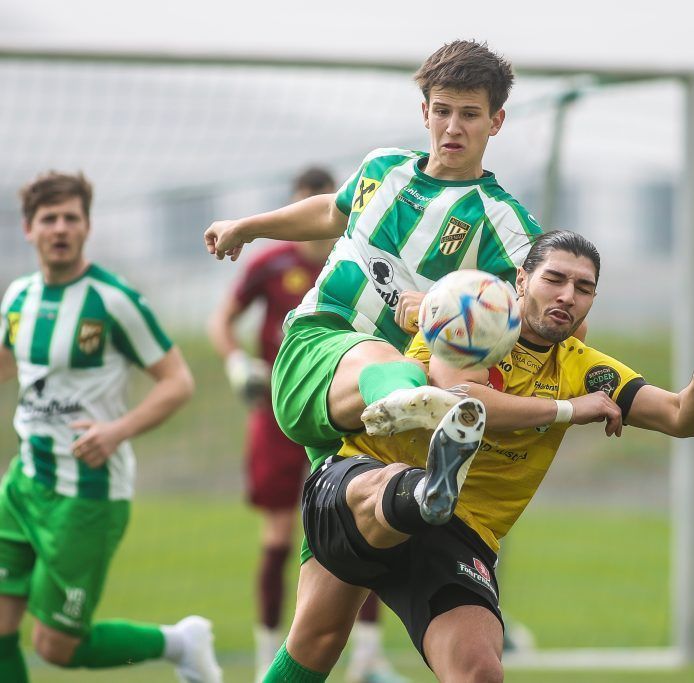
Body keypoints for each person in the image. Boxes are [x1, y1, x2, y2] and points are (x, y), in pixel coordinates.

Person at [203, 40, 545, 680]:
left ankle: (422, 424)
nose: (452, 127)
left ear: (496, 121)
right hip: (321, 348)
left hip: (369, 443)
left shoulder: (507, 226)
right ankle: (428, 406)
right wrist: (249, 225)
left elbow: (539, 310)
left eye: (469, 114)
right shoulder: (384, 168)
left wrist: (467, 313)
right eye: (441, 110)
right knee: (394, 363)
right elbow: (329, 213)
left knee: (319, 632)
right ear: (423, 111)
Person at [283, 230, 694, 682]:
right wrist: (569, 410)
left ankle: (431, 495)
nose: (567, 295)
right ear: (522, 280)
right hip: (363, 484)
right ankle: (426, 489)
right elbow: (457, 393)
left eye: (583, 287)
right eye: (555, 278)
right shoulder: (470, 309)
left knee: (477, 670)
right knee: (319, 636)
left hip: (459, 532)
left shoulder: (582, 368)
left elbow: (680, 417)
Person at [0, 172, 222, 682]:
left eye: (70, 218)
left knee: (56, 646)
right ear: (28, 228)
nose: (60, 228)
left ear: (87, 226)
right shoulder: (17, 297)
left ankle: (180, 643)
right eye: (49, 219)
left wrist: (115, 430)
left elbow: (177, 381)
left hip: (87, 495)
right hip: (25, 483)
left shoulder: (112, 300)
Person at [208, 167, 406, 683]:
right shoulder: (271, 263)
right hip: (282, 407)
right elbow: (222, 320)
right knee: (276, 534)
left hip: (347, 399)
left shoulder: (361, 267)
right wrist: (236, 362)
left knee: (365, 521)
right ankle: (266, 653)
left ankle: (366, 659)